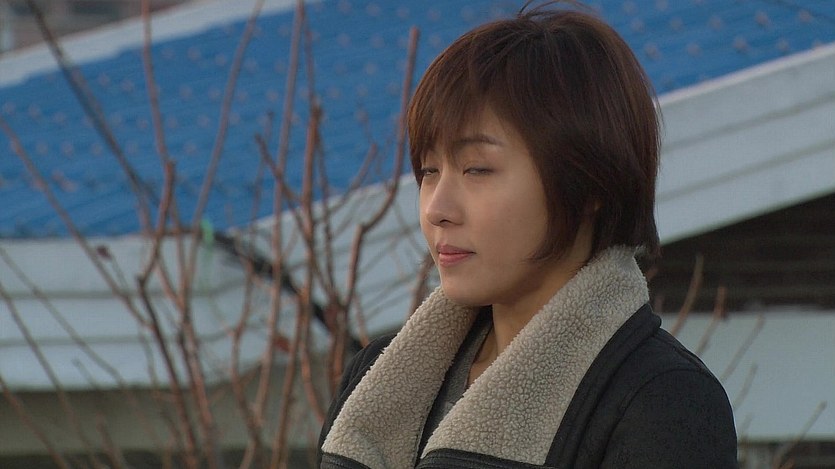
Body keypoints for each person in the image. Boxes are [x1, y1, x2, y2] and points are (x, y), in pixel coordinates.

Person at [319, 2, 738, 468]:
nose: (437, 209)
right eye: (429, 171)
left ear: (588, 185)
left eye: (477, 169)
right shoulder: (375, 378)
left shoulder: (661, 401)